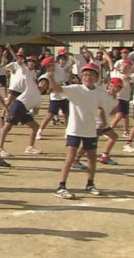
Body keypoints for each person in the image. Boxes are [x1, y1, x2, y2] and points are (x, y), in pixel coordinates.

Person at [46, 63, 116, 199]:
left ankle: (90, 184)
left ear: (96, 77)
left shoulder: (100, 92)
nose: (87, 77)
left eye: (91, 75)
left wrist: (103, 121)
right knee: (71, 157)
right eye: (85, 75)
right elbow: (57, 89)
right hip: (75, 129)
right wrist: (51, 78)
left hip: (90, 129)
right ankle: (61, 186)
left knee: (91, 157)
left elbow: (103, 107)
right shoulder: (75, 89)